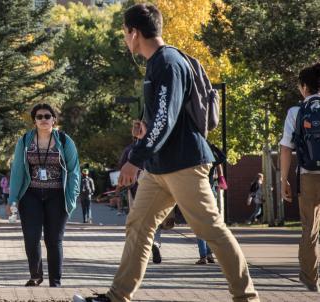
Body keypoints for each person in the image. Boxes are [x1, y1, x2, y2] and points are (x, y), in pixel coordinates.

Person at [74, 4, 258, 302]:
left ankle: (247, 297)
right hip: (160, 168)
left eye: (124, 33)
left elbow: (166, 119)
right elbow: (161, 119)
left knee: (210, 229)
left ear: (134, 33)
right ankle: (117, 296)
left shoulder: (168, 63)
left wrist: (135, 158)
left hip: (185, 164)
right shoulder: (155, 64)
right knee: (138, 225)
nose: (124, 39)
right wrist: (143, 132)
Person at [8, 103, 80, 287]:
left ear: (53, 119)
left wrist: (71, 197)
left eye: (47, 116)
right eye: (39, 117)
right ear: (34, 121)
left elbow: (73, 171)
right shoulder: (25, 141)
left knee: (53, 240)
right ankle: (36, 275)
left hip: (57, 196)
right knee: (31, 238)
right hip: (30, 195)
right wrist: (12, 199)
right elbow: (17, 171)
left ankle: (55, 281)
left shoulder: (65, 141)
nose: (43, 119)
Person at [279, 63, 320, 292]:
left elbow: (286, 148)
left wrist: (283, 179)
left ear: (304, 87)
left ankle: (310, 279)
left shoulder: (296, 112)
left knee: (309, 230)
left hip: (308, 177)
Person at [196, 163, 227, 265]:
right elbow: (219, 165)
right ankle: (210, 254)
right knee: (210, 224)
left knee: (200, 225)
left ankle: (203, 256)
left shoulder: (194, 151)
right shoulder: (211, 152)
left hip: (199, 190)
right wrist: (220, 178)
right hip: (211, 191)